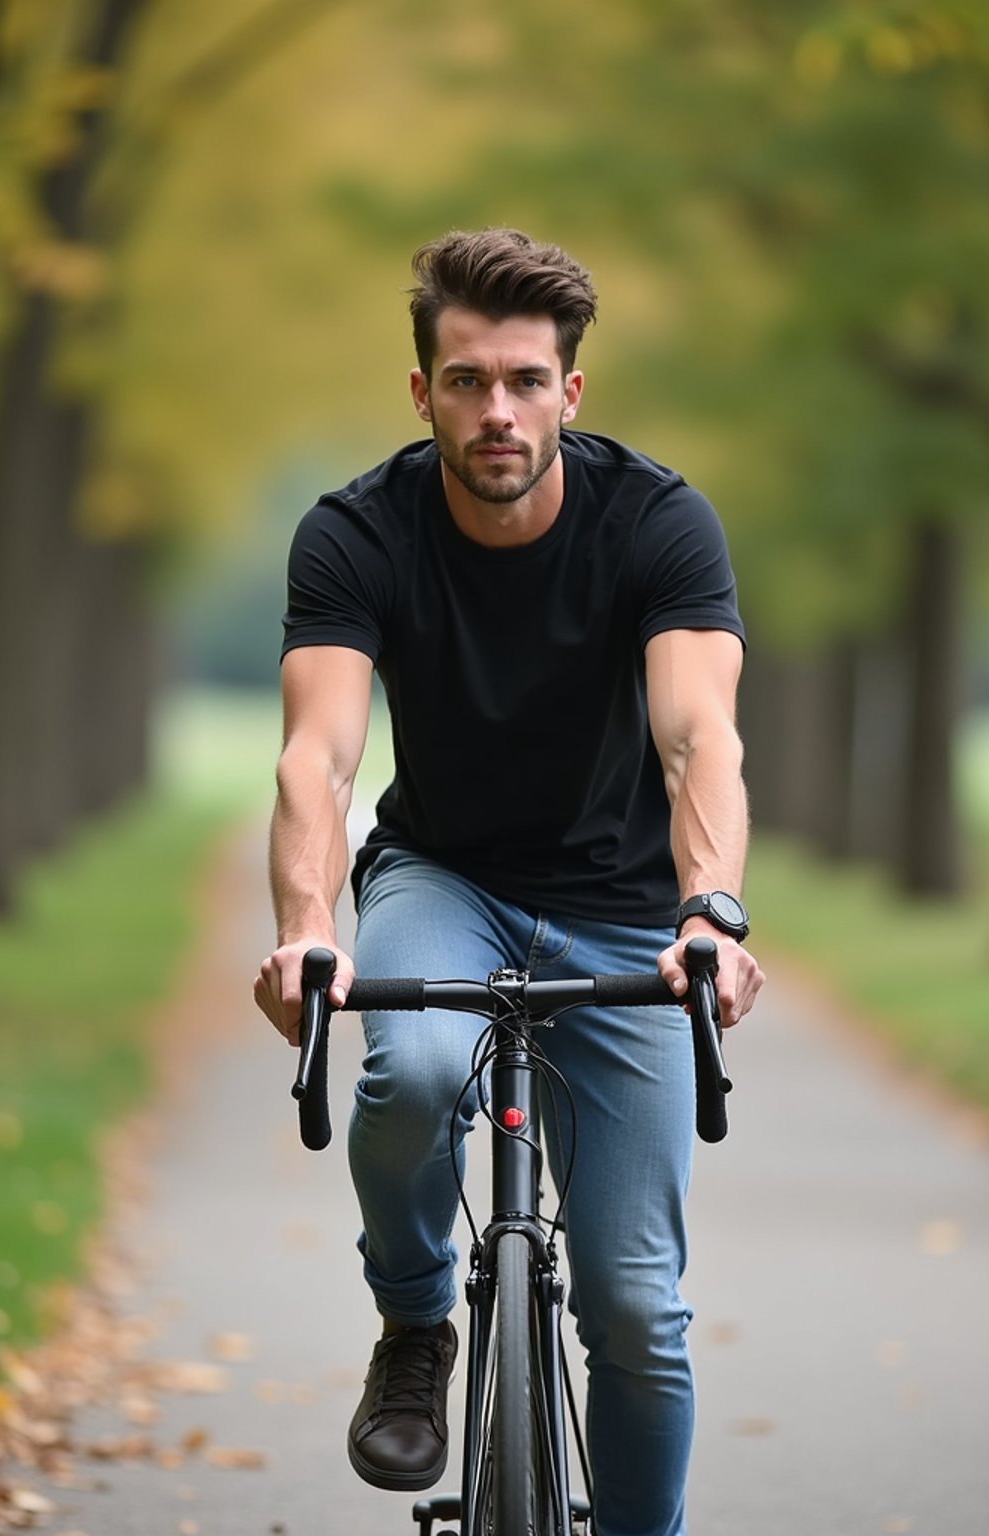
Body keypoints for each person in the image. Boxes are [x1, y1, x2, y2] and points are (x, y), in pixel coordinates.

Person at [254, 227, 764, 1536]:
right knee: (412, 1070)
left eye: (526, 381)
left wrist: (709, 909)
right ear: (419, 390)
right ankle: (418, 1319)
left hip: (627, 908)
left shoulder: (657, 520)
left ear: (570, 393)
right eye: (468, 380)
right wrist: (309, 930)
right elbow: (319, 753)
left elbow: (700, 733)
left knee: (640, 1312)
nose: (498, 411)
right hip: (445, 873)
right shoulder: (357, 533)